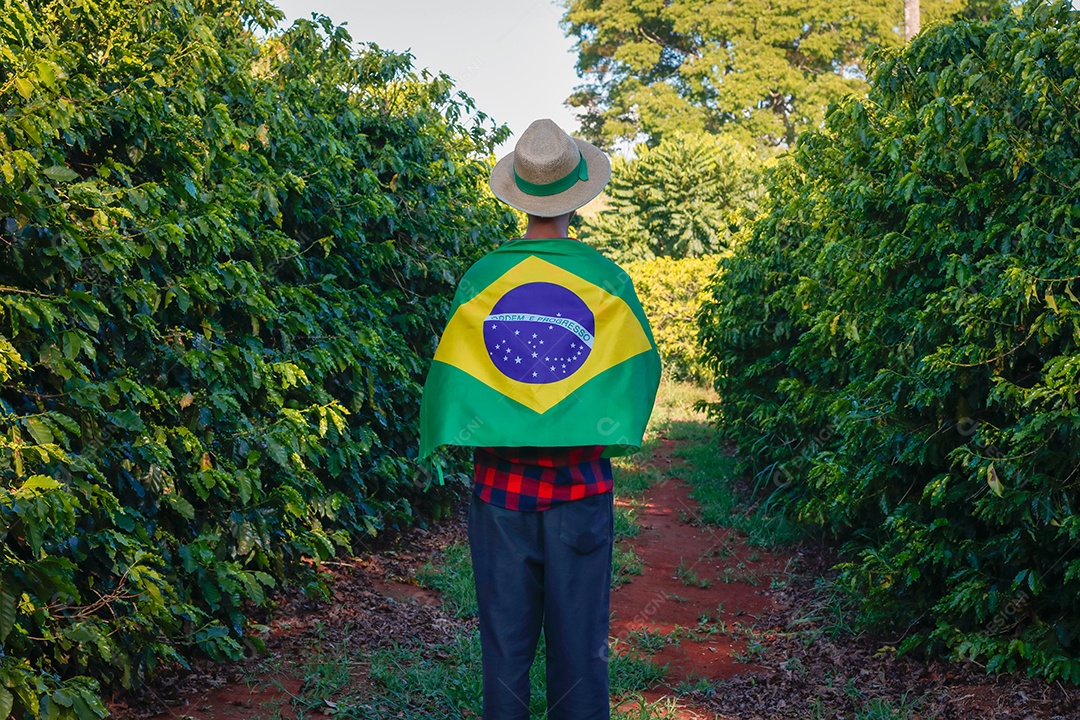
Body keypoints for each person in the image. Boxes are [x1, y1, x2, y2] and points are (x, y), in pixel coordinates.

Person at [419, 118, 661, 720]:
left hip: (499, 493)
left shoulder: (484, 278)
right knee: (581, 648)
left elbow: (455, 375)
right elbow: (638, 369)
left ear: (520, 195)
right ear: (577, 197)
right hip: (582, 491)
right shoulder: (604, 279)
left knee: (505, 648)